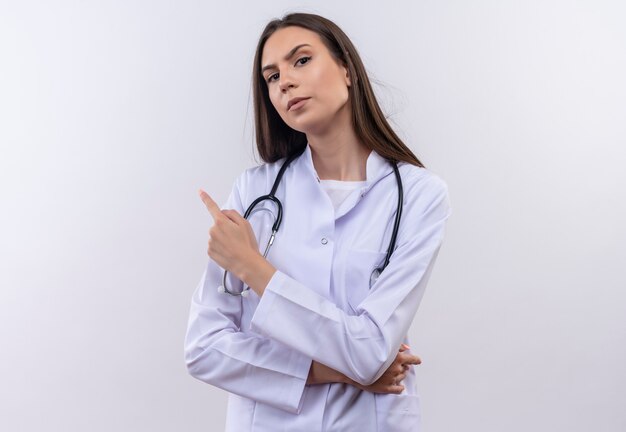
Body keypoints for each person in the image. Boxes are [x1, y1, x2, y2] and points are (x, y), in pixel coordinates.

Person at [184, 12, 451, 431]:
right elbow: (204, 348)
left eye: (301, 61)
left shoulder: (419, 196)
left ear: (346, 68)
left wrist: (253, 268)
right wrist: (337, 371)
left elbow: (372, 351)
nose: (285, 82)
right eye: (271, 77)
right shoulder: (254, 194)